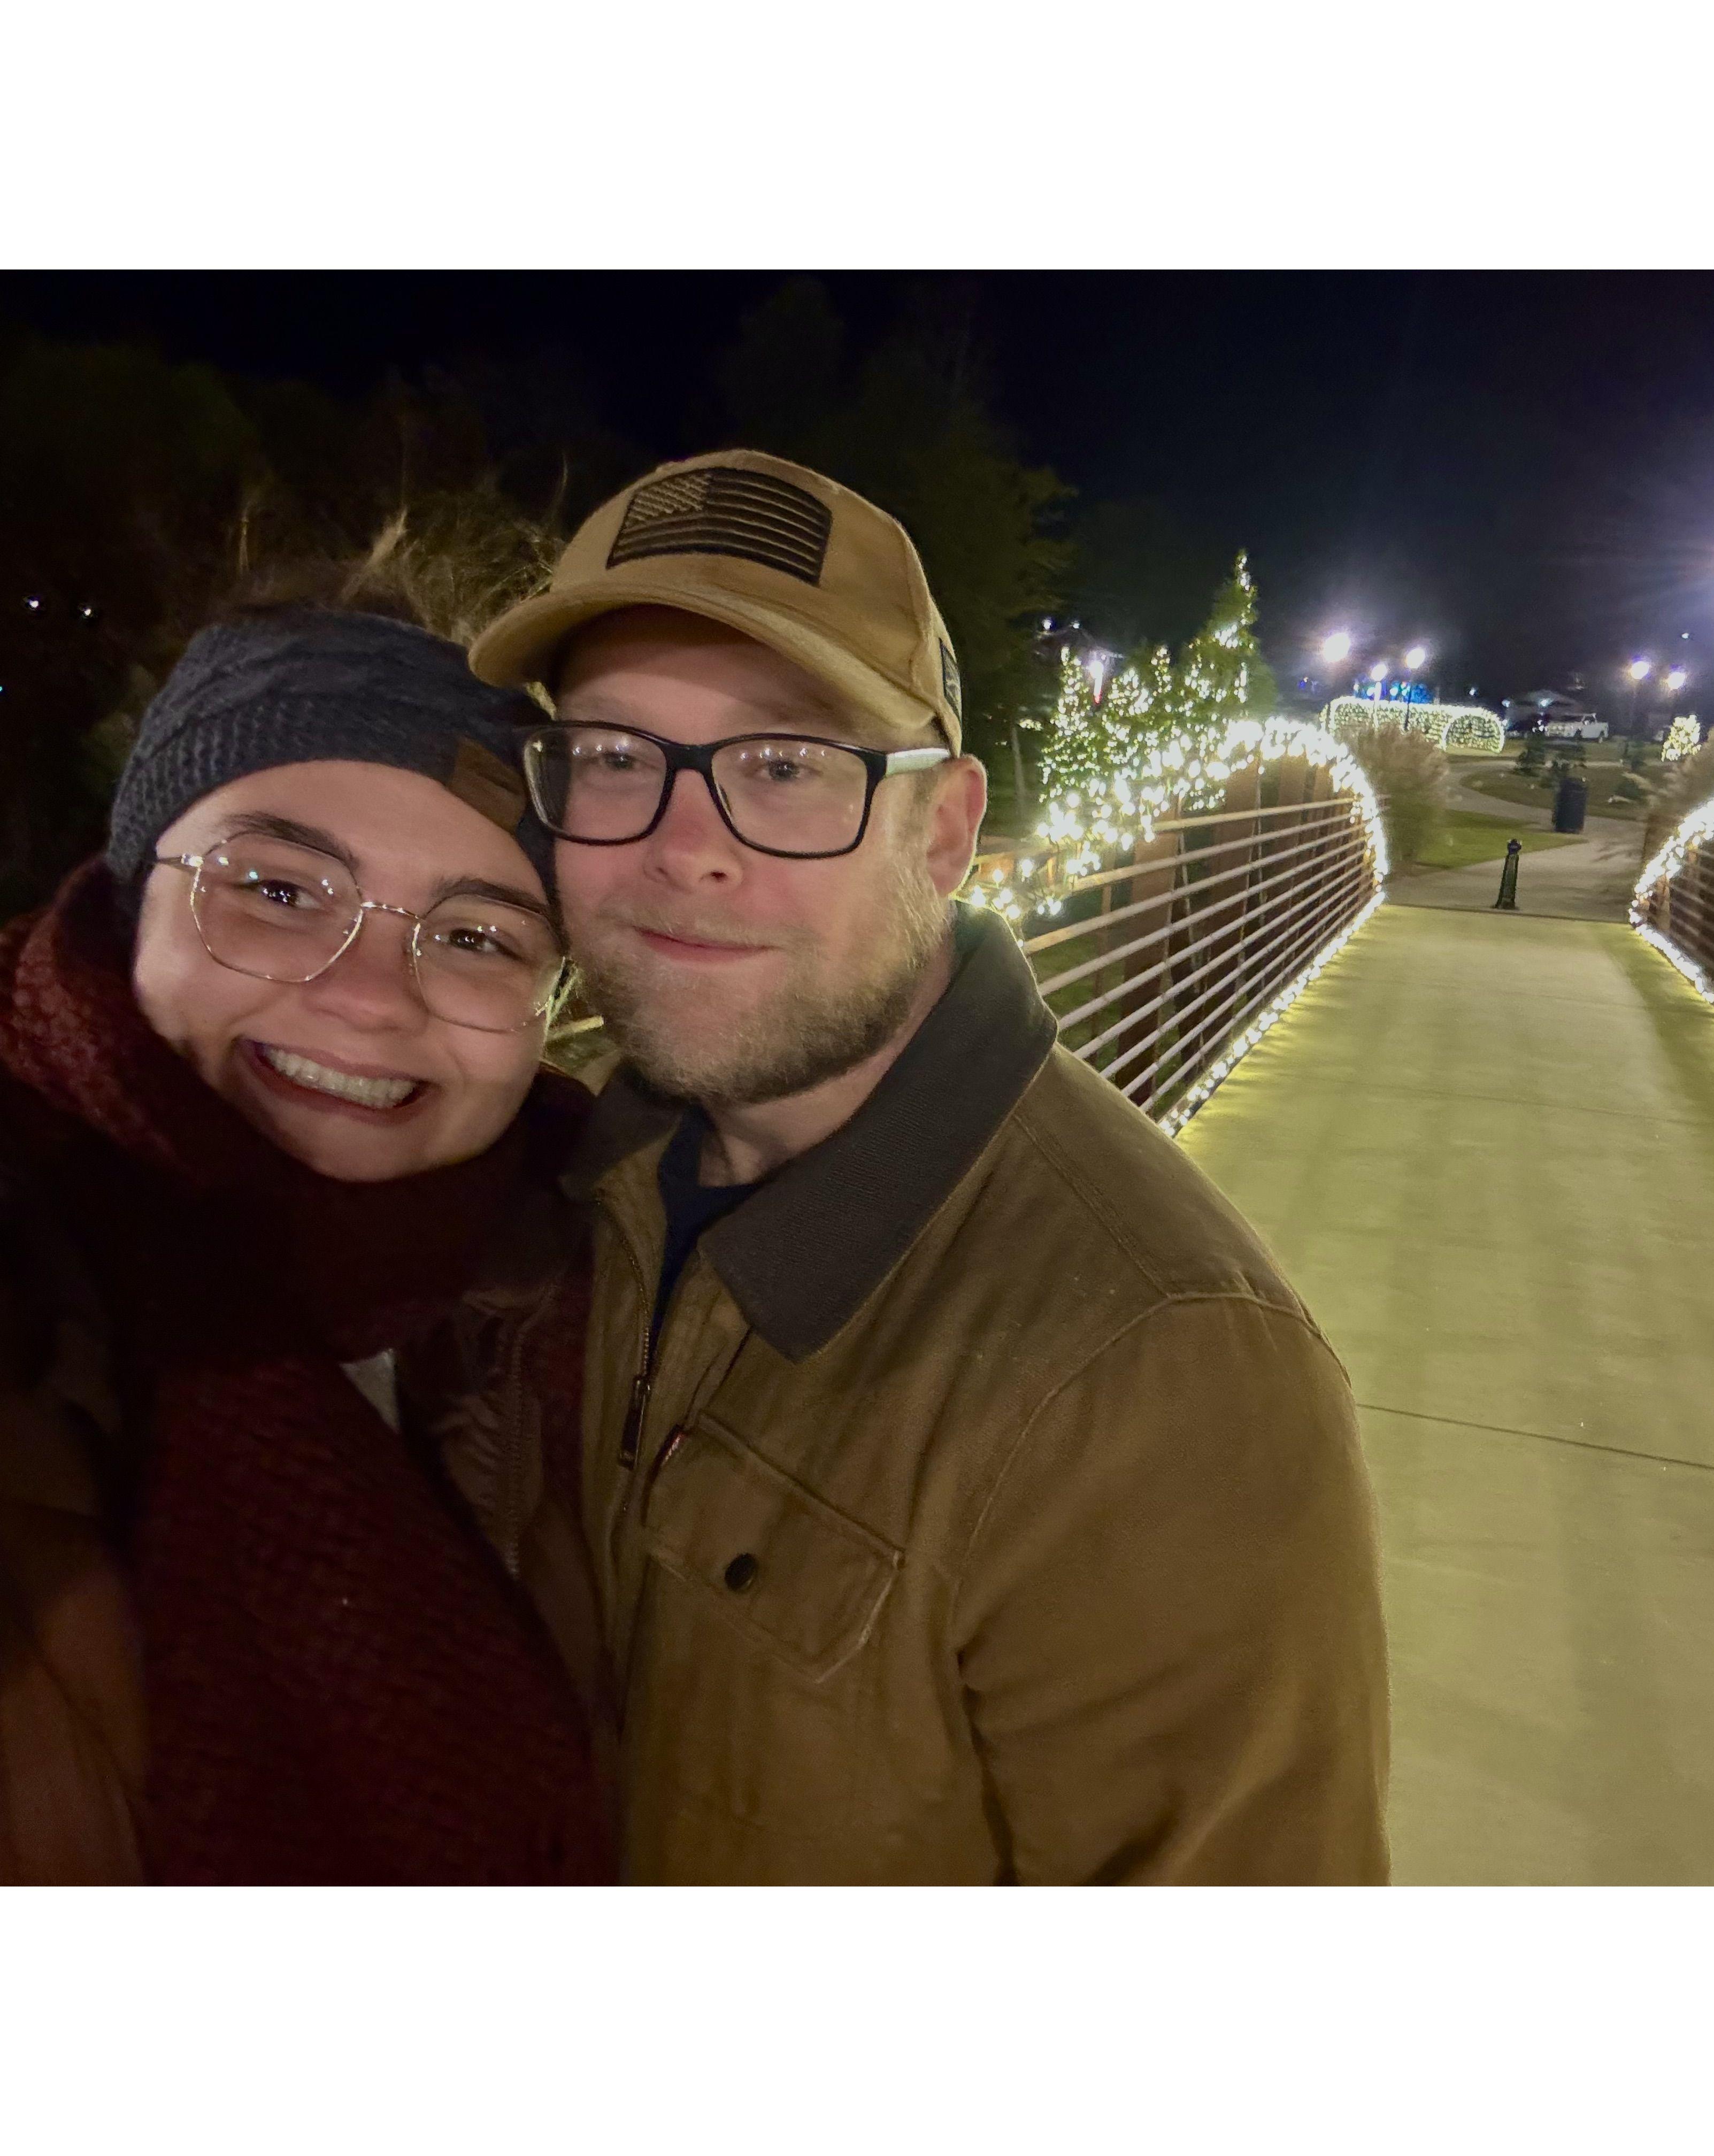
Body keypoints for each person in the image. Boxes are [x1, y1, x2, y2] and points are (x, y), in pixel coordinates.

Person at [469, 448, 1390, 1883]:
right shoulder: (583, 1164)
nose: (682, 849)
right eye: (615, 760)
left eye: (785, 768)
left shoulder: (1160, 1372)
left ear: (945, 831)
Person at [0, 595, 609, 1883]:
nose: (369, 999)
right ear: (130, 902)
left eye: (475, 937)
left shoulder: (606, 1276)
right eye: (278, 890)